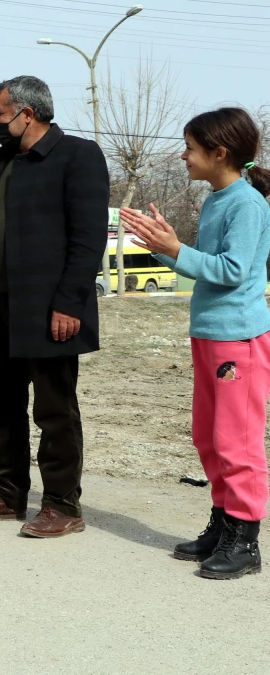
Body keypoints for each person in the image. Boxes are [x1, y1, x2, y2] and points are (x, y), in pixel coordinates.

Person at [0, 75, 108, 538]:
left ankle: (62, 505)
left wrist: (69, 303)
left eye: (0, 113)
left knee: (54, 413)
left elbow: (87, 239)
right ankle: (5, 493)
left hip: (49, 311)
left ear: (28, 113)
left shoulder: (77, 156)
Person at [122, 107, 270, 580]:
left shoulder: (247, 204)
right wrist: (171, 247)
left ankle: (245, 540)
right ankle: (223, 524)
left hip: (238, 339)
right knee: (209, 436)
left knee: (237, 440)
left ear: (219, 152)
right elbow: (206, 263)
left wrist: (173, 249)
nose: (182, 156)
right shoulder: (216, 200)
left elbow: (234, 270)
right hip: (209, 335)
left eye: (189, 147)